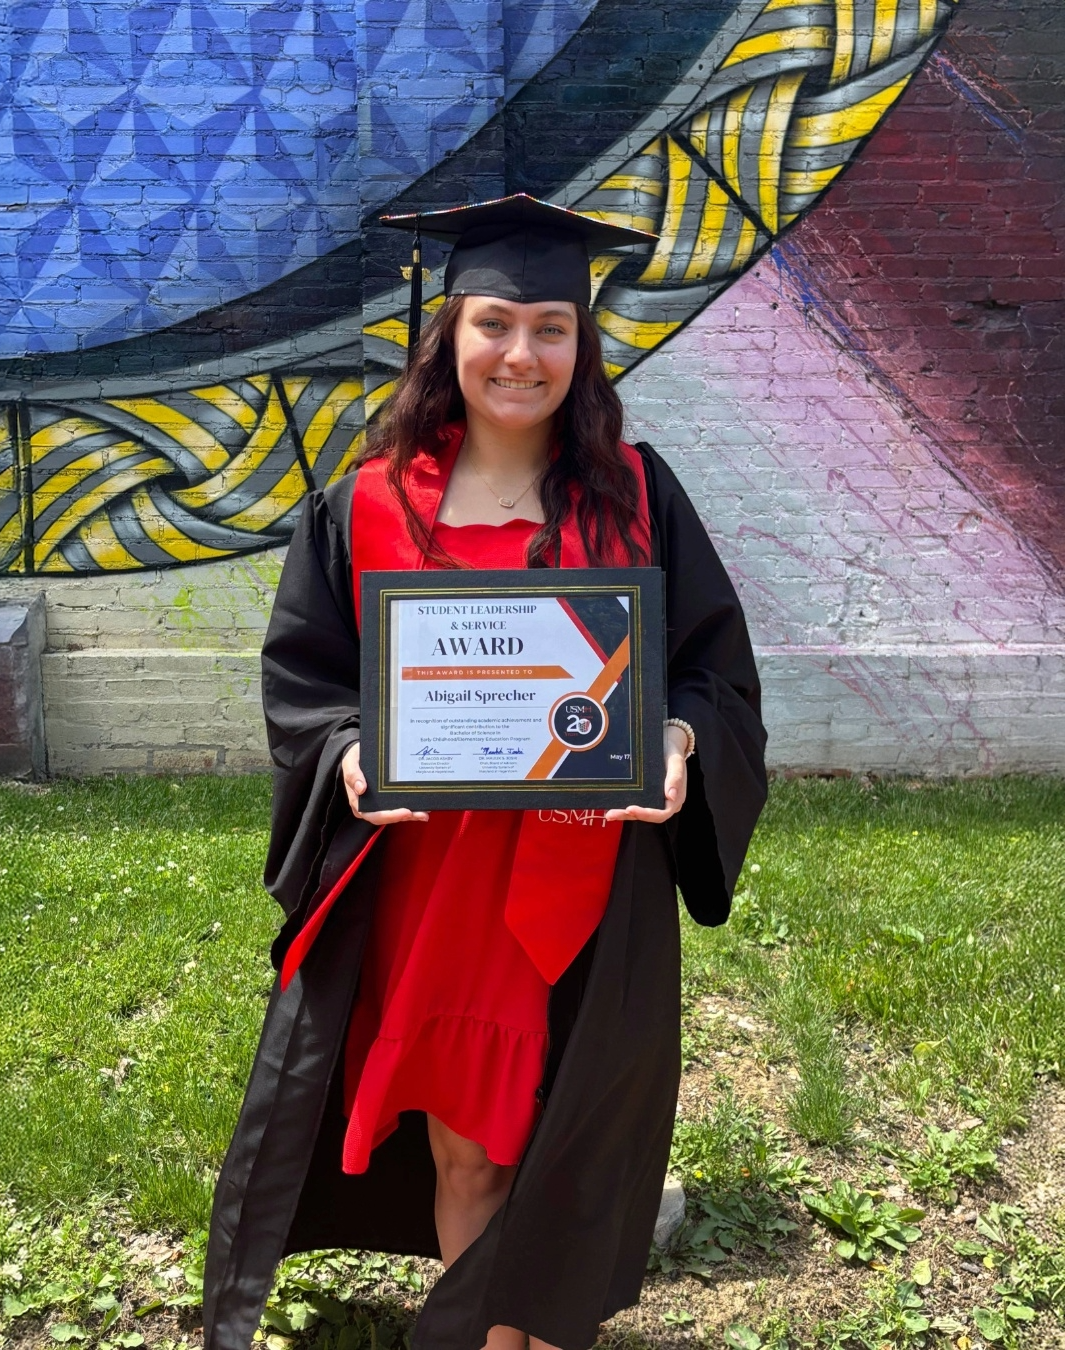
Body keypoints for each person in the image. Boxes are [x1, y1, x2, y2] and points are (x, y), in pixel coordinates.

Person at [202, 195, 768, 1350]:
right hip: (434, 882)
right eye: (497, 323)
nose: (522, 354)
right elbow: (306, 682)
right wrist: (353, 755)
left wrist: (675, 739)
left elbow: (712, 670)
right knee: (467, 1137)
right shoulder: (364, 506)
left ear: (583, 345)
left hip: (590, 886)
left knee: (568, 1140)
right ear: (449, 333)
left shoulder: (640, 499)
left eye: (551, 327)